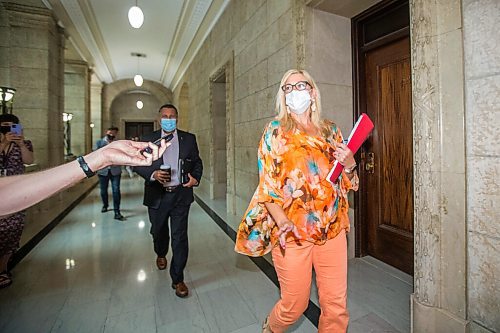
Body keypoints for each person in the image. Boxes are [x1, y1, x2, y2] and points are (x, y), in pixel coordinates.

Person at [234, 69, 359, 333]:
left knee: (336, 306)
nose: (294, 92)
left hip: (332, 230)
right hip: (291, 232)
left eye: (300, 85)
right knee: (294, 304)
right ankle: (271, 328)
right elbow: (267, 186)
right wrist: (281, 221)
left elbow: (345, 181)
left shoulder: (331, 130)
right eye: (287, 88)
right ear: (283, 97)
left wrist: (349, 165)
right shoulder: (275, 132)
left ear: (313, 92)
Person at [134, 103, 203, 298]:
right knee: (158, 231)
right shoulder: (148, 140)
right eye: (165, 116)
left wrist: (195, 177)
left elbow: (197, 162)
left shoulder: (188, 139)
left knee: (180, 237)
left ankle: (178, 278)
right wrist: (152, 173)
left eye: (172, 116)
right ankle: (161, 252)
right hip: (157, 195)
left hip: (180, 195)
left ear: (177, 118)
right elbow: (137, 164)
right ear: (159, 118)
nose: (168, 119)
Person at [0, 113, 34, 288]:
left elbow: (29, 161)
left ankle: (3, 268)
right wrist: (4, 143)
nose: (9, 130)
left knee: (13, 229)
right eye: (5, 126)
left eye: (12, 126)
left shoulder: (24, 144)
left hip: (16, 193)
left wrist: (20, 144)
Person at [95, 127, 125, 220]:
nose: (111, 134)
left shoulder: (118, 143)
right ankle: (105, 205)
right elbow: (95, 154)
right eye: (110, 133)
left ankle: (117, 211)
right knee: (103, 190)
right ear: (107, 132)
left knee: (116, 190)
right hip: (103, 170)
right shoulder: (99, 143)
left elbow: (122, 155)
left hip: (115, 170)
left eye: (114, 133)